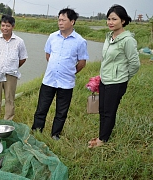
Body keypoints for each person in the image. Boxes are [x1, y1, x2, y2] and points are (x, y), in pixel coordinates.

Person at [31, 8, 89, 140]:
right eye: (59, 19)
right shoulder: (52, 37)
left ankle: (55, 134)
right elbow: (48, 55)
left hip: (66, 82)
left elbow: (82, 62)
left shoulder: (80, 41)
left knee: (61, 112)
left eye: (63, 20)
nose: (60, 22)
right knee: (41, 108)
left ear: (72, 22)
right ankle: (36, 131)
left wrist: (70, 72)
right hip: (49, 80)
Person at [88, 4, 140, 148]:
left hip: (116, 82)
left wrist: (122, 77)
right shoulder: (109, 36)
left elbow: (135, 64)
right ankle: (101, 135)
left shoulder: (127, 40)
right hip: (105, 80)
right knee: (102, 110)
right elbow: (107, 60)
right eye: (109, 19)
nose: (110, 22)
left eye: (114, 19)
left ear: (123, 21)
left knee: (109, 111)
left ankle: (103, 140)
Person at [0, 14, 28, 123]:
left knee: (10, 98)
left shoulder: (19, 41)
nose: (5, 28)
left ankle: (8, 121)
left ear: (13, 26)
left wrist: (13, 67)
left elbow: (23, 58)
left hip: (11, 75)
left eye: (8, 26)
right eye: (3, 25)